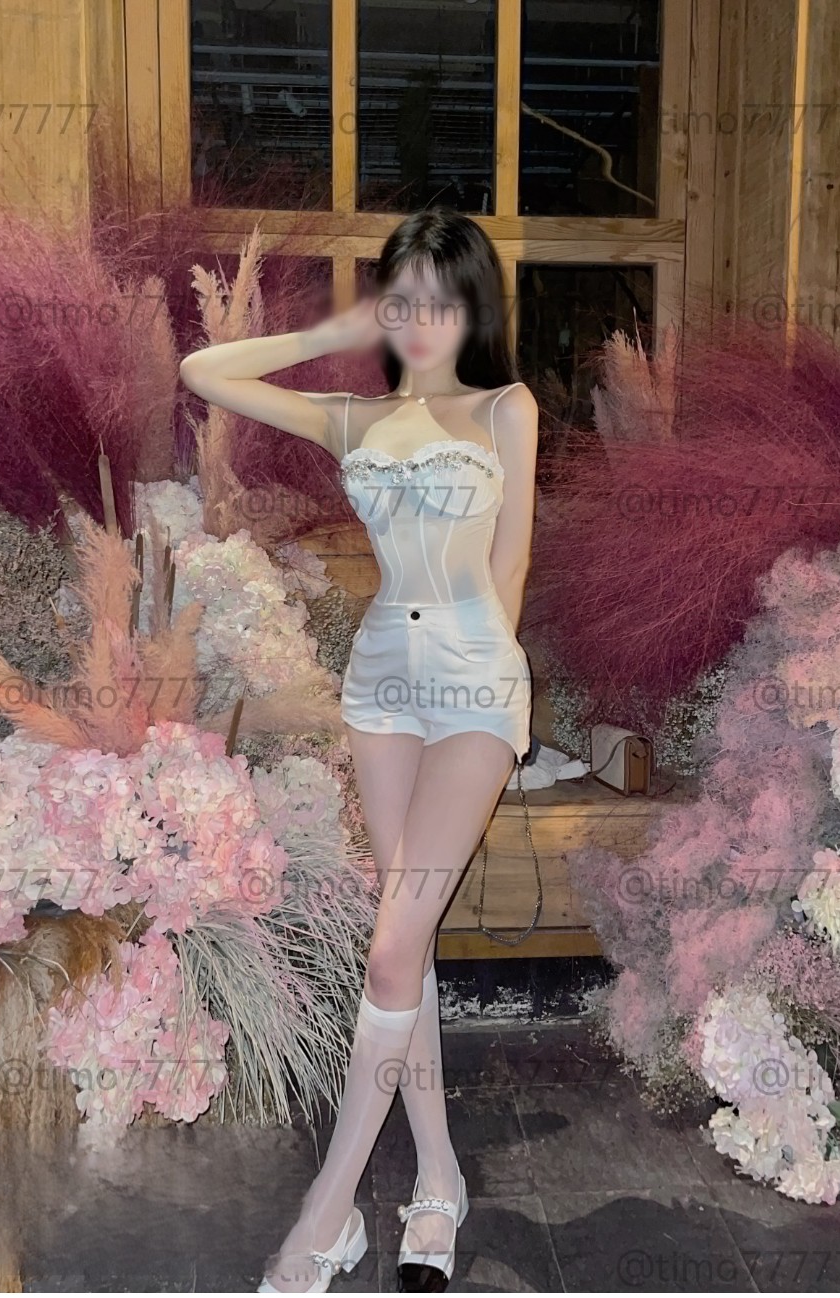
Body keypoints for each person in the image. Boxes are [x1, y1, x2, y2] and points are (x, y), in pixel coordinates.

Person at [179, 207, 538, 1293]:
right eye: (403, 298)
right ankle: (437, 1182)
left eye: (443, 299)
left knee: (389, 950)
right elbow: (203, 370)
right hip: (380, 684)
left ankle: (324, 1218)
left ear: (473, 308)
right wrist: (328, 331)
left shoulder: (505, 407)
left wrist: (494, 692)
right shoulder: (352, 417)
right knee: (403, 946)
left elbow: (511, 564)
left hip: (472, 682)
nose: (422, 320)